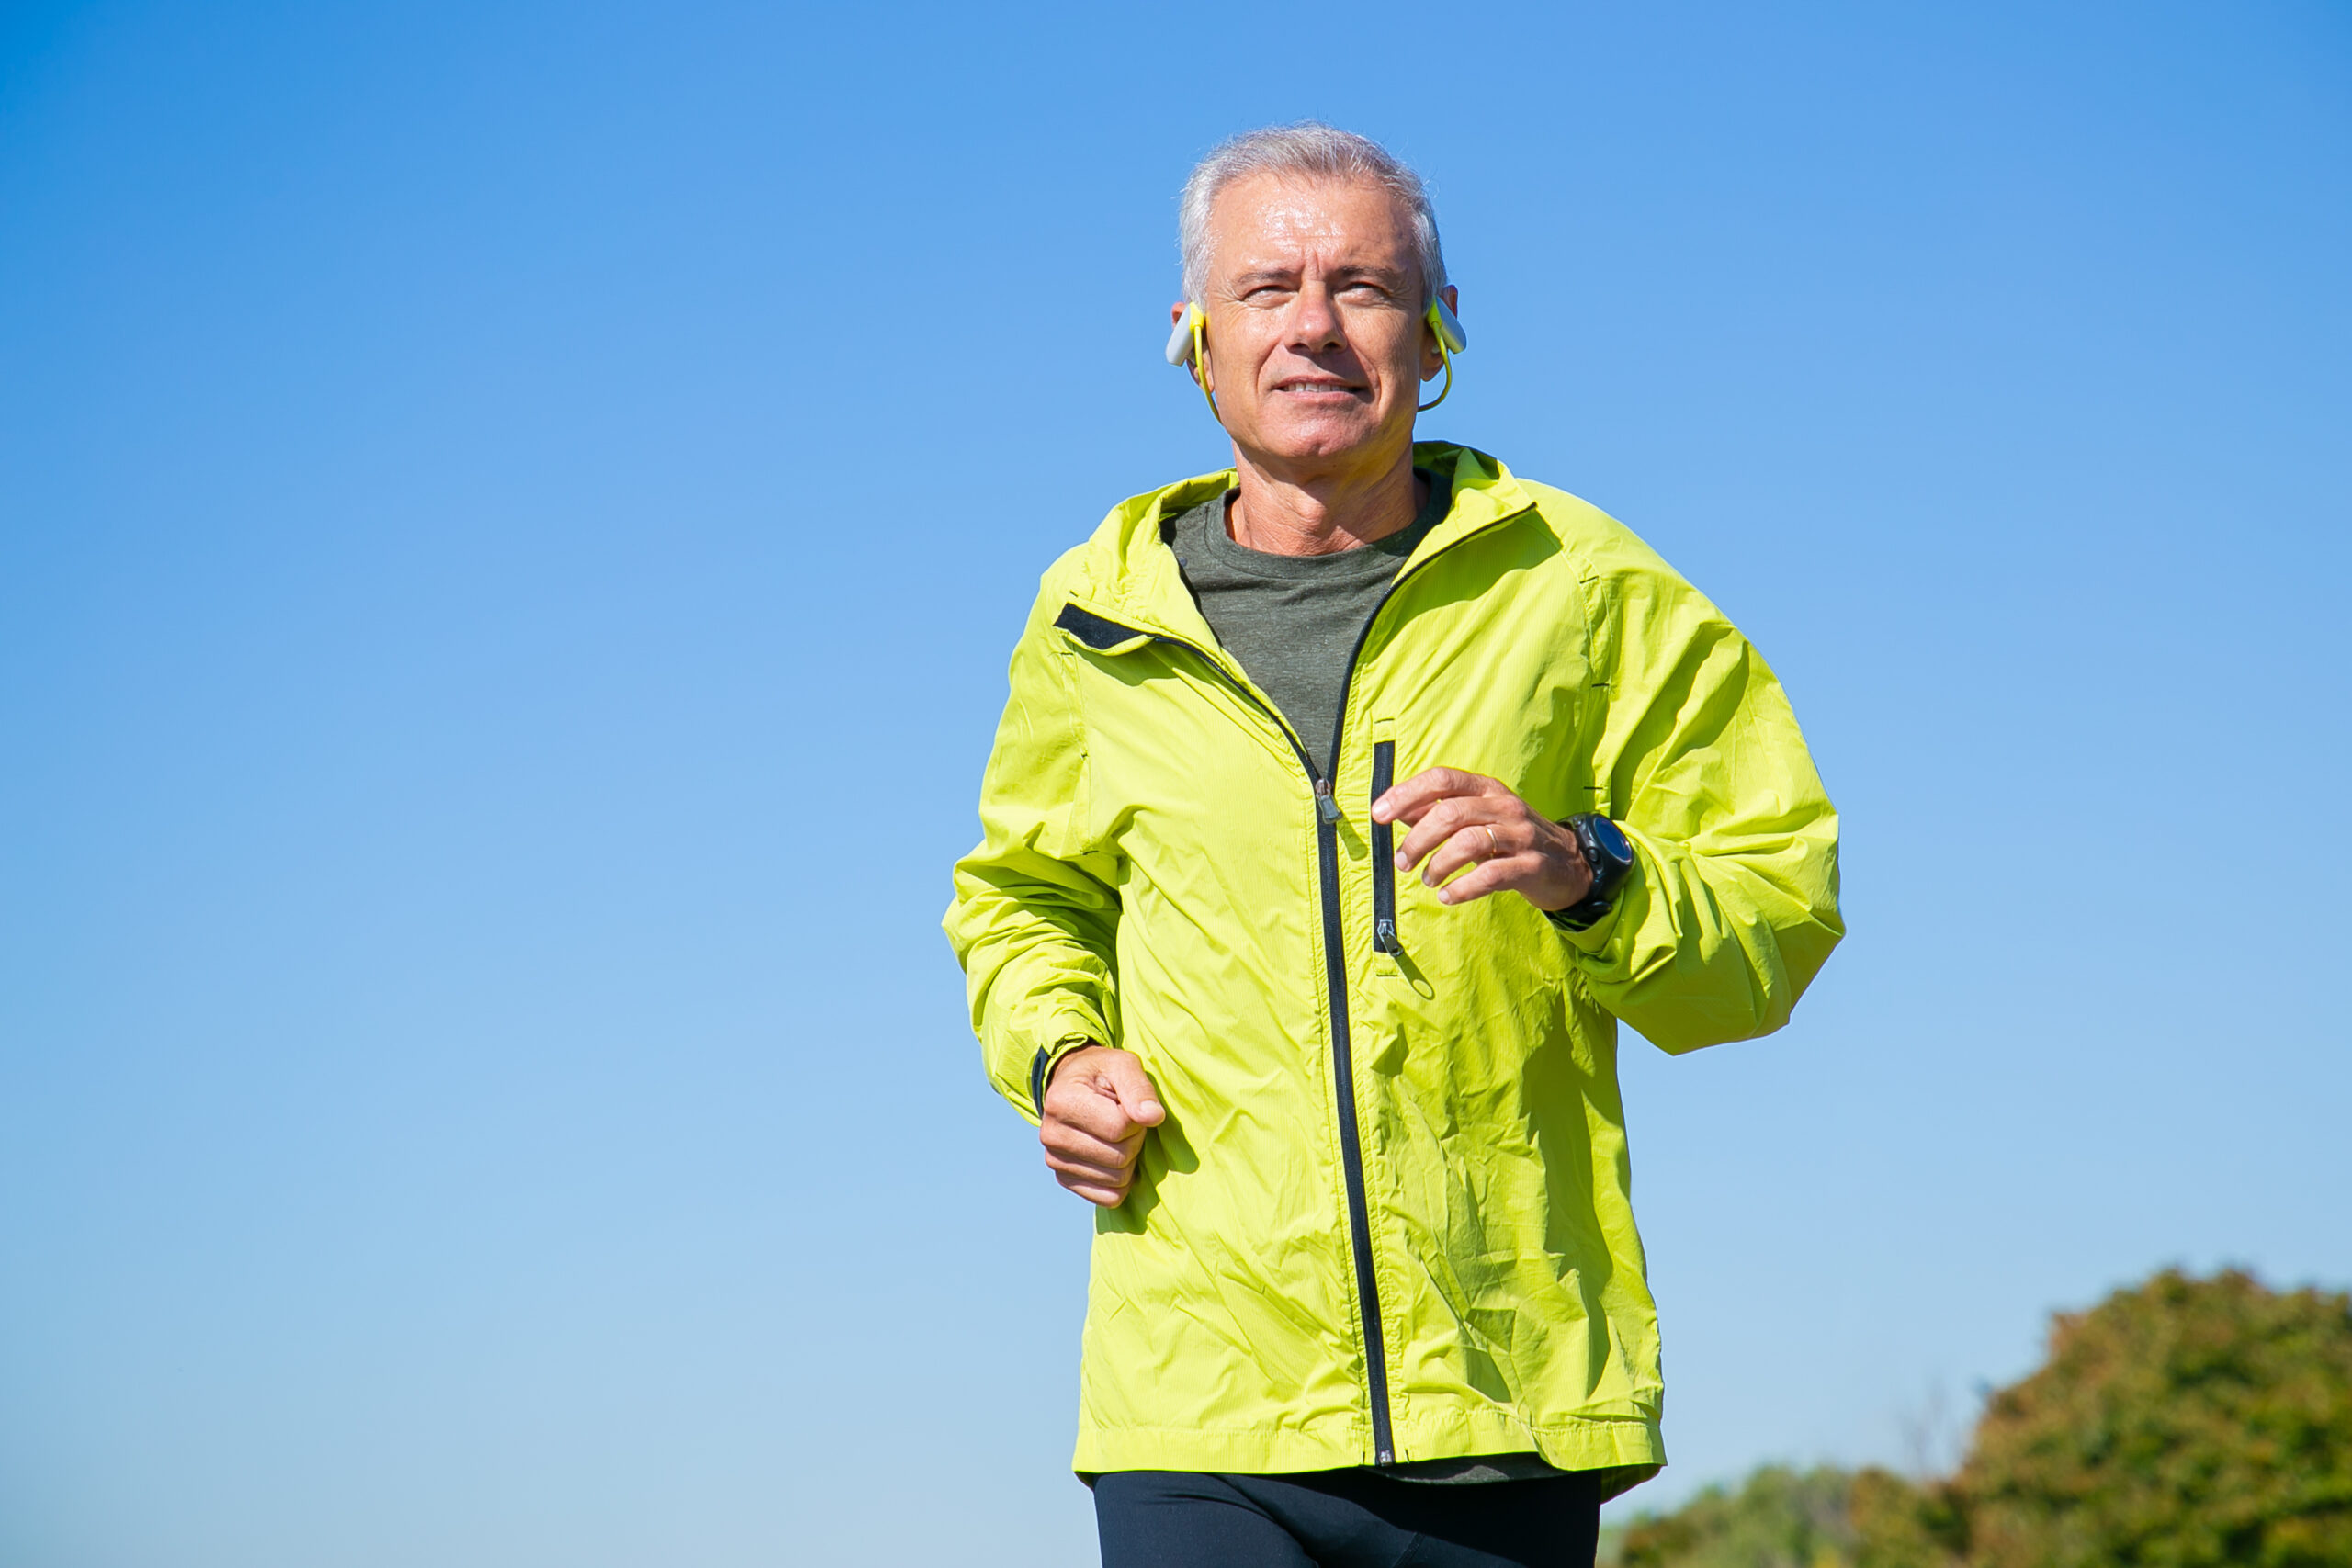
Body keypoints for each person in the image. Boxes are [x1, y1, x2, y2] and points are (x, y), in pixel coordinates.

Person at [944, 124, 1842, 1568]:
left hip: (1506, 1393)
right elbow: (1026, 899)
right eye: (1267, 288)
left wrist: (1588, 871)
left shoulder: (1586, 587)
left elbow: (1773, 916)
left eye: (1363, 287)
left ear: (1436, 338)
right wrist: (1059, 1055)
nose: (1314, 325)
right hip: (1198, 1405)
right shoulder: (1089, 616)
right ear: (1193, 337)